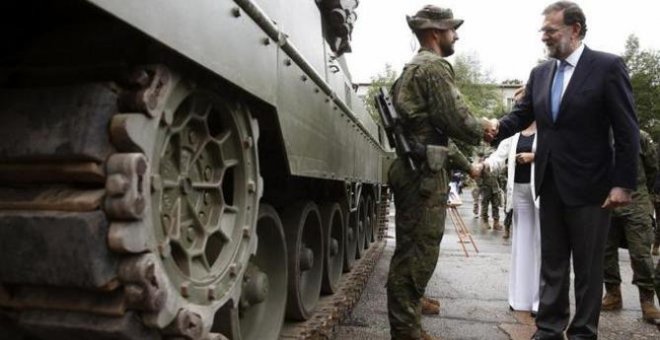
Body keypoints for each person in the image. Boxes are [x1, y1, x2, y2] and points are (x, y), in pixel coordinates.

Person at [493, 2, 640, 339]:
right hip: (548, 182)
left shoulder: (607, 66)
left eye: (551, 30)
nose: (544, 36)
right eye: (543, 30)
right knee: (552, 263)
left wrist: (623, 183)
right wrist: (493, 128)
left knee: (588, 269)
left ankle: (583, 332)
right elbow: (520, 116)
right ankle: (548, 328)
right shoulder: (540, 73)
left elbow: (627, 129)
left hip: (592, 188)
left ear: (574, 30)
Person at [386, 5, 497, 339]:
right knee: (416, 253)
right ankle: (406, 331)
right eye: (452, 29)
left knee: (412, 249)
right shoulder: (434, 67)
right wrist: (485, 126)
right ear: (435, 32)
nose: (456, 35)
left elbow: (436, 132)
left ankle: (410, 320)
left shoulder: (412, 68)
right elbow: (456, 119)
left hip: (415, 167)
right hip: (422, 173)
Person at [601, 130, 660, 324]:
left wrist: (646, 197)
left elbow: (653, 169)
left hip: (636, 201)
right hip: (606, 201)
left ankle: (647, 300)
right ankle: (613, 294)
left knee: (640, 253)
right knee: (605, 251)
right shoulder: (599, 134)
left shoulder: (640, 136)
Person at [484, 122, 540, 315]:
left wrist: (534, 157)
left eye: (521, 101)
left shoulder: (548, 127)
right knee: (521, 244)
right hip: (518, 192)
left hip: (542, 193)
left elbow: (561, 152)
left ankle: (539, 301)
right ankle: (520, 299)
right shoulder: (513, 134)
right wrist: (484, 165)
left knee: (541, 245)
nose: (518, 106)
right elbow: (498, 157)